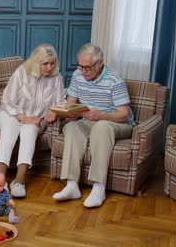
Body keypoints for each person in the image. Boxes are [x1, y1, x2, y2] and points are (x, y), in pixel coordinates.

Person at [52, 43, 135, 208]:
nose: (83, 72)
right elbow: (71, 102)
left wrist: (101, 116)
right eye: (80, 66)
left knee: (101, 126)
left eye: (87, 68)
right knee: (72, 127)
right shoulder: (77, 75)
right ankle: (71, 185)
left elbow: (124, 114)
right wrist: (69, 113)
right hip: (90, 120)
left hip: (117, 123)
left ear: (100, 63)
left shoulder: (114, 80)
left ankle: (98, 187)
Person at [0, 43, 66, 198]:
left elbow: (61, 101)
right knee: (10, 131)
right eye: (45, 64)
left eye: (52, 63)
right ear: (36, 62)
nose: (49, 67)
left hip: (35, 119)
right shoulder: (22, 72)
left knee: (30, 131)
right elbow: (7, 100)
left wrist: (54, 111)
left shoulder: (57, 78)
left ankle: (19, 181)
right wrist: (23, 117)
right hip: (11, 113)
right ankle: (0, 180)